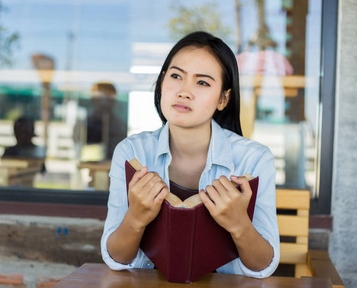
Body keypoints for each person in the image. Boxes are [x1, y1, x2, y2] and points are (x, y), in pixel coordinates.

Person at [100, 31, 280, 278]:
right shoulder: (132, 152)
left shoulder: (254, 160)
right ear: (162, 82)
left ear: (223, 99)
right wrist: (135, 218)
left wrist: (240, 224)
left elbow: (262, 266)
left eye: (202, 82)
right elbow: (117, 259)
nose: (184, 91)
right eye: (176, 76)